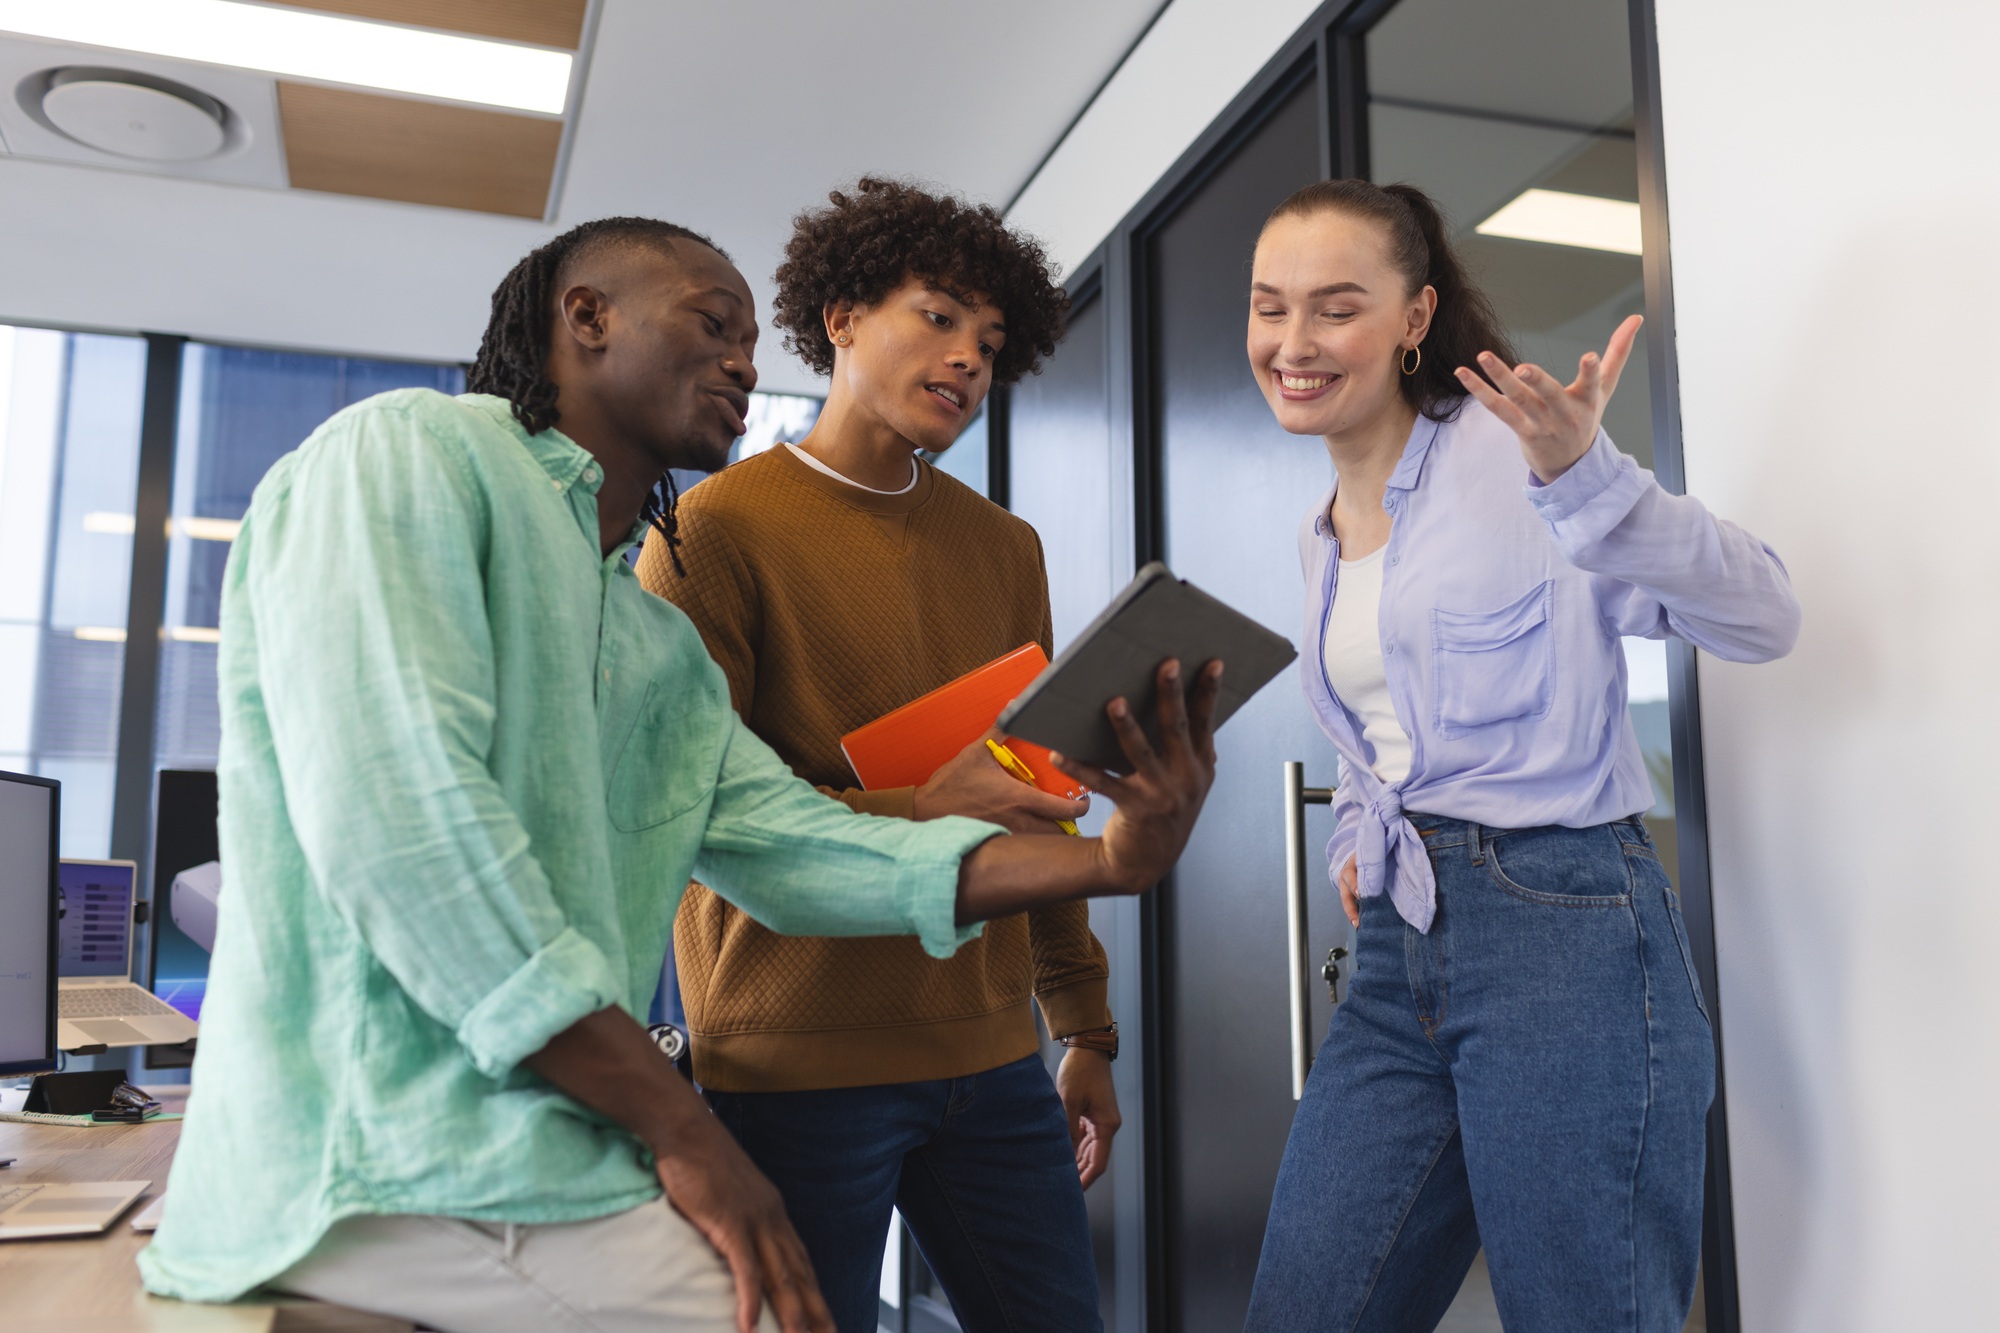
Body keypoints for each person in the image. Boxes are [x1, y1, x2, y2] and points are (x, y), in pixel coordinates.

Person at [137, 216, 1223, 1333]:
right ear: (586, 318)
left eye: (753, 338)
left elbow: (799, 847)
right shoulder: (411, 452)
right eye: (715, 324)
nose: (749, 361)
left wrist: (1103, 860)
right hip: (373, 1170)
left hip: (559, 1152)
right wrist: (689, 1129)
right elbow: (410, 834)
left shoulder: (648, 645)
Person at [1239, 180, 1800, 1332]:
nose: (1291, 343)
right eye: (1268, 307)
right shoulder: (1319, 529)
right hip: (1400, 954)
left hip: (1564, 931)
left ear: (1412, 319)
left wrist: (1590, 483)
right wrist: (1358, 828)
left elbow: (1761, 616)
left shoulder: (1519, 463)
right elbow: (1379, 725)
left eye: (1334, 308)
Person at [639, 179, 1114, 1333]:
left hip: (995, 1057)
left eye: (990, 344)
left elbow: (1031, 797)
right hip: (790, 1062)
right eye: (938, 317)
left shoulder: (1004, 546)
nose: (966, 358)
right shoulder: (708, 532)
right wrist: (920, 803)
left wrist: (1083, 1026)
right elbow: (694, 818)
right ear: (842, 317)